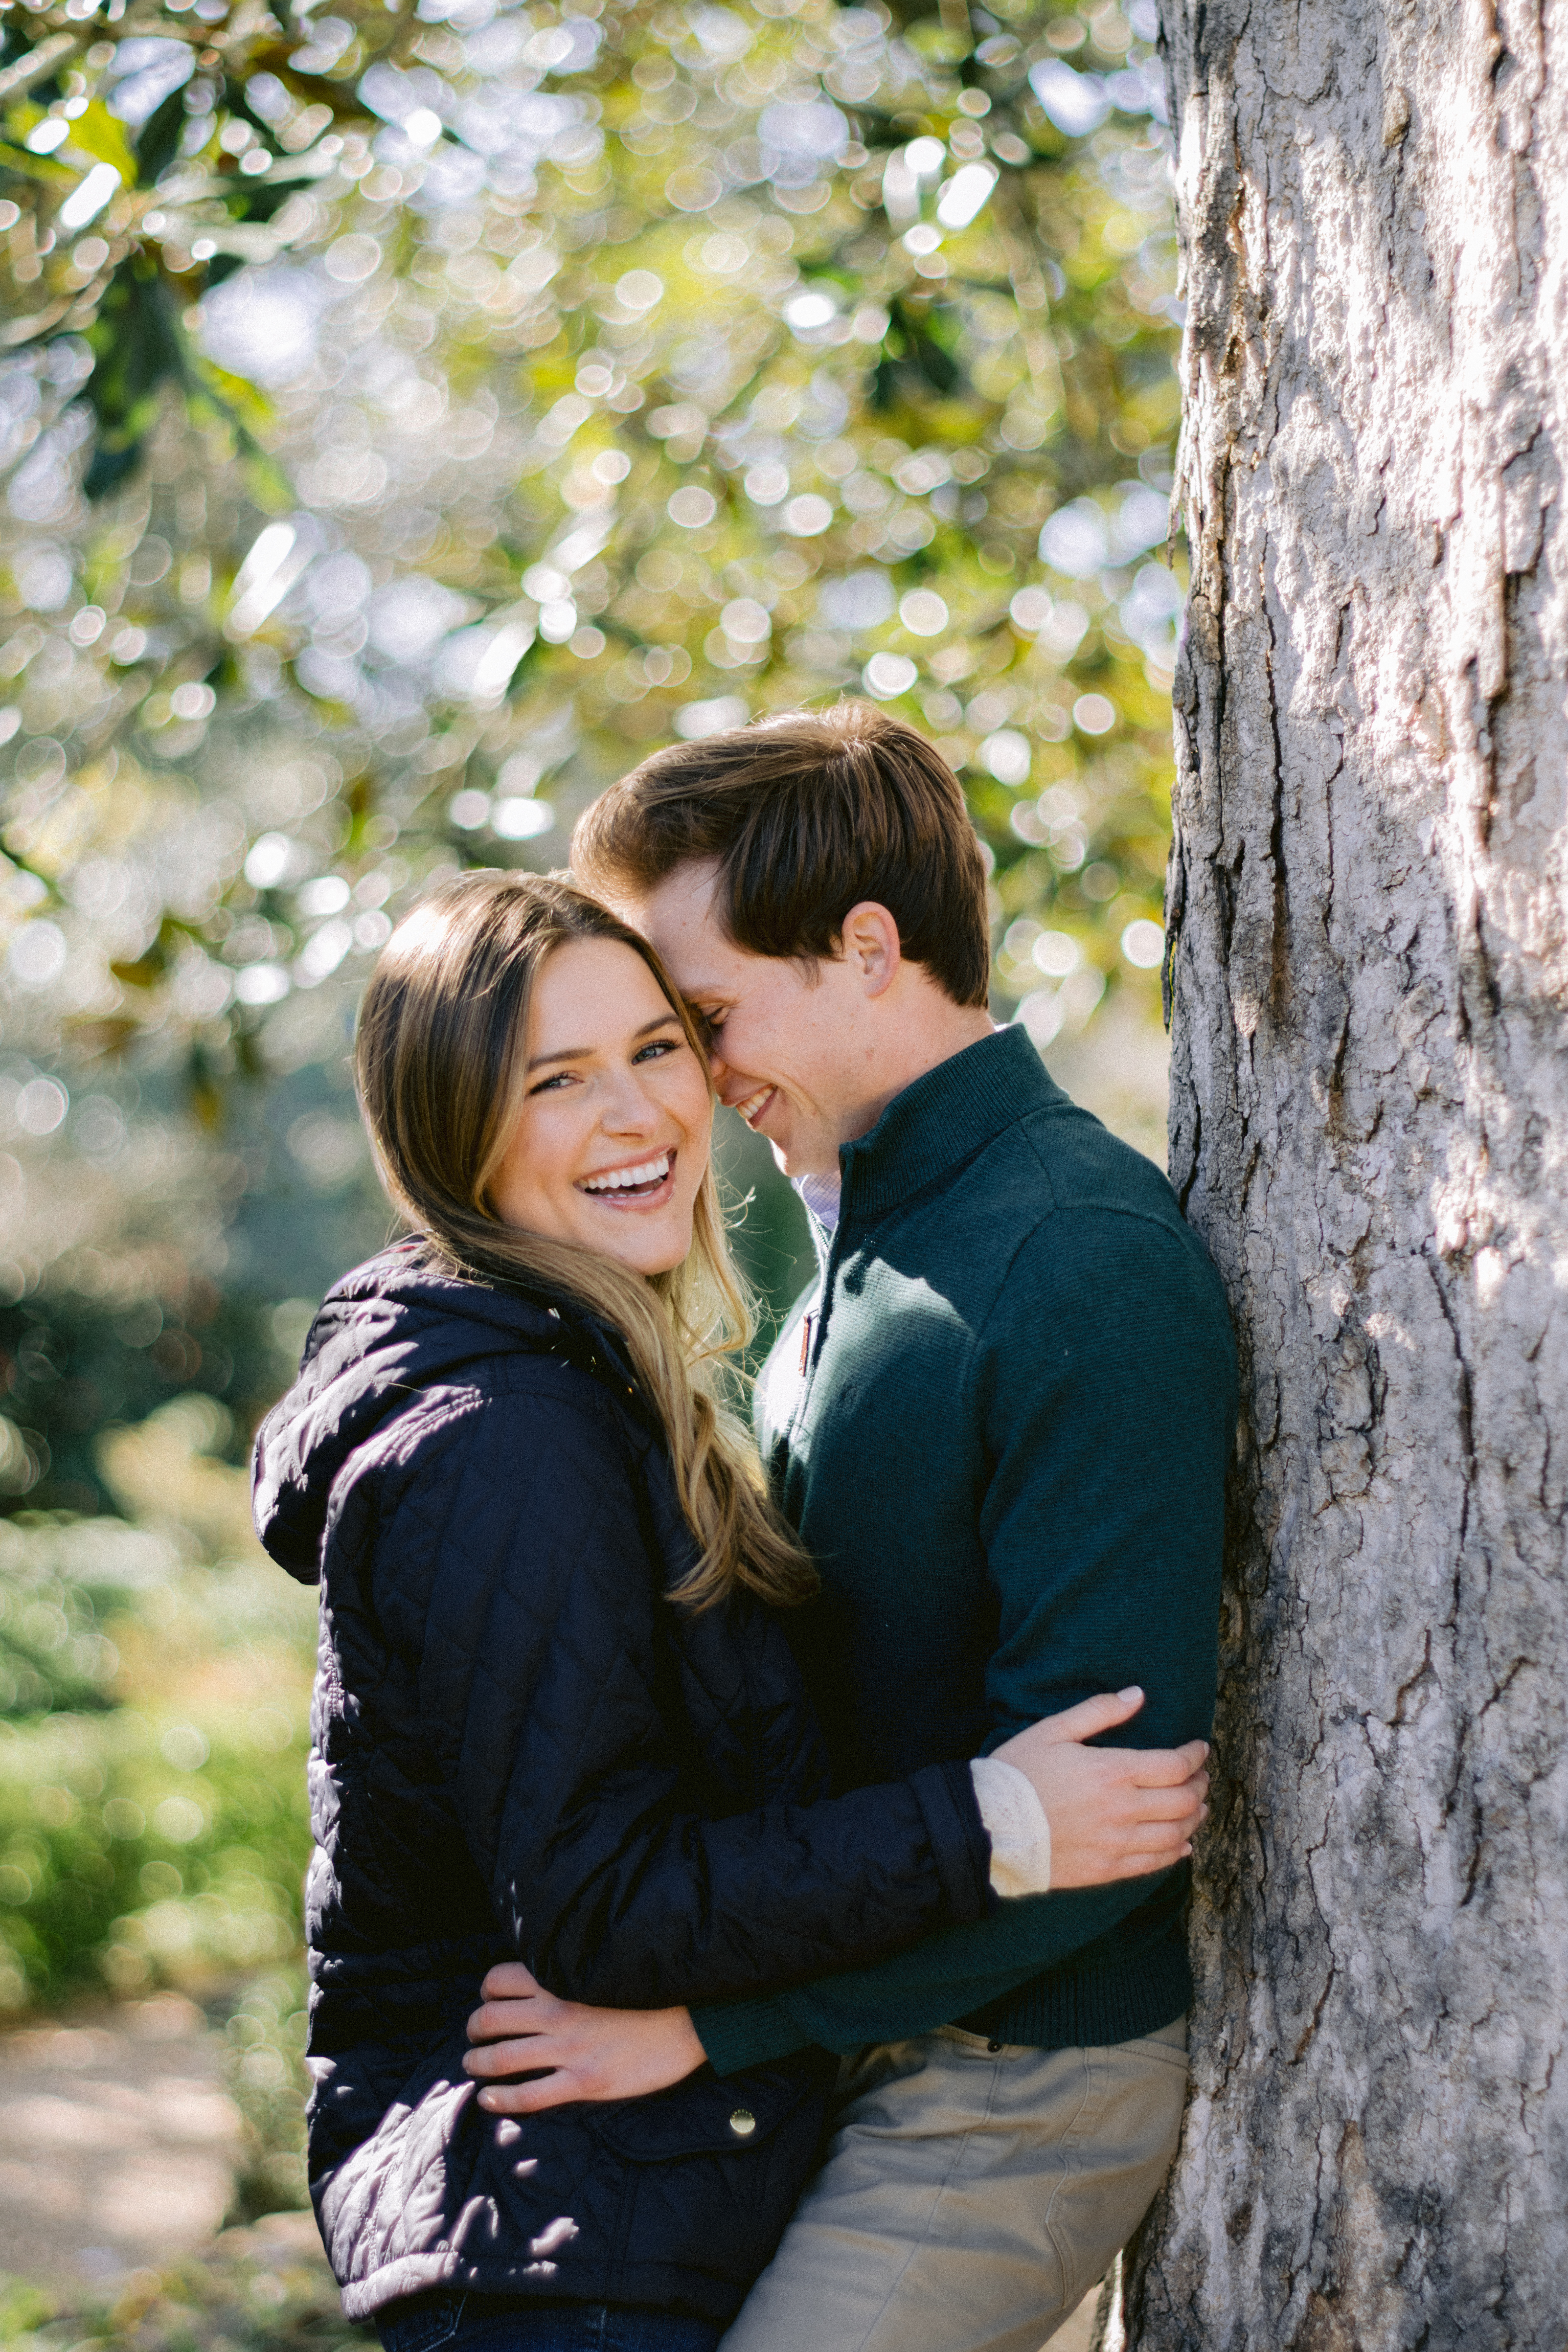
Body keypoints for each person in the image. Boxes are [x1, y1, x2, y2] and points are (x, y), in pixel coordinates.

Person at [250, 869, 1210, 2352]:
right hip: (552, 2216)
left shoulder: (586, 1370)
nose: (640, 1112)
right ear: (452, 1128)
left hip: (604, 2196)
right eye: (556, 1080)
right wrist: (993, 1823)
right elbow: (599, 1904)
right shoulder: (507, 1432)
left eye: (659, 1046)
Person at [464, 707, 1237, 2352]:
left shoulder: (1074, 1253)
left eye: (706, 1016)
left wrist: (712, 2021)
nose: (693, 1073)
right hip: (840, 2038)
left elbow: (1114, 1808)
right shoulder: (865, 1232)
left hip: (1020, 2076)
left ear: (867, 949)